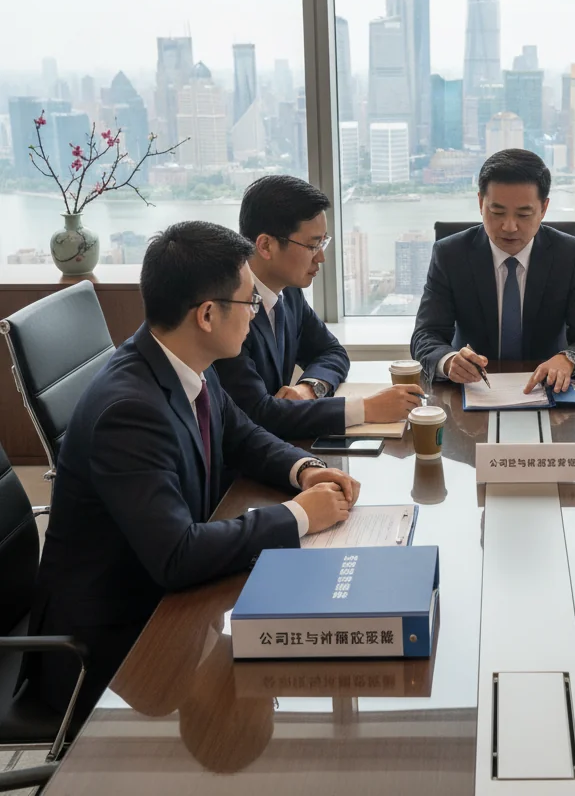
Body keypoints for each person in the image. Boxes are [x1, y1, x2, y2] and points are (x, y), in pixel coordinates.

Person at [29, 221, 360, 716]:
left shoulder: (181, 361)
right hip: (110, 649)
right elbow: (178, 555)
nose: (255, 313)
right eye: (249, 302)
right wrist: (300, 515)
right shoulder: (129, 412)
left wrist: (305, 469)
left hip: (166, 605)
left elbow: (241, 435)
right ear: (207, 314)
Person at [215, 175, 423, 439]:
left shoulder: (288, 292)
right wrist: (366, 409)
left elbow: (331, 351)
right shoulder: (228, 308)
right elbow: (258, 414)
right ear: (266, 245)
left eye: (323, 242)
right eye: (312, 245)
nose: (321, 257)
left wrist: (309, 389)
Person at [411, 148, 575, 393]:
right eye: (497, 212)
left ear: (544, 209)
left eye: (524, 214)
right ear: (480, 203)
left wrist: (568, 359)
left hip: (548, 391)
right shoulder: (450, 255)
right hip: (473, 391)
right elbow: (425, 335)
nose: (509, 226)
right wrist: (449, 361)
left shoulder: (570, 255)